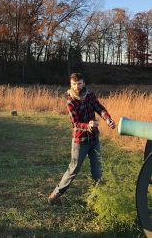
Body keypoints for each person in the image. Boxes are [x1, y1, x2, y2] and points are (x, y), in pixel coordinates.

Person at [48, 72, 115, 205]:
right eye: (74, 84)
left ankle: (98, 199)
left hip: (94, 139)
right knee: (73, 170)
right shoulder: (70, 101)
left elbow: (99, 108)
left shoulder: (90, 95)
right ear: (71, 84)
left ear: (83, 83)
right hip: (80, 141)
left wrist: (108, 118)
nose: (77, 86)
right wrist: (88, 125)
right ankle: (54, 197)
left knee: (97, 170)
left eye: (79, 83)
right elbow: (75, 123)